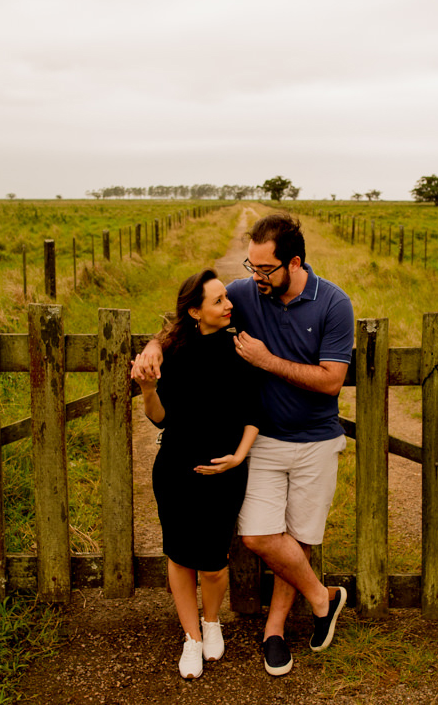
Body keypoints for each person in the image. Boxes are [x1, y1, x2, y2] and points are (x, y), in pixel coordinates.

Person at [132, 213, 353, 677]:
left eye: (264, 269)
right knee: (257, 536)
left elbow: (332, 382)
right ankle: (322, 598)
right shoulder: (245, 292)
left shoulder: (334, 304)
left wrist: (266, 360)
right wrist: (153, 345)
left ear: (293, 263)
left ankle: (275, 631)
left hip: (316, 439)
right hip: (267, 441)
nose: (253, 279)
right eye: (249, 267)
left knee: (299, 537)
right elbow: (188, 315)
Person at [131, 268, 261, 680]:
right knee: (180, 556)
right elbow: (160, 418)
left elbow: (254, 412)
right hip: (175, 470)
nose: (229, 305)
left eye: (227, 298)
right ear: (194, 311)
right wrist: (148, 391)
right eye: (218, 300)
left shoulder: (238, 348)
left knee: (213, 563)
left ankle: (212, 620)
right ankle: (192, 637)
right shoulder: (174, 353)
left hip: (224, 473)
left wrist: (239, 457)